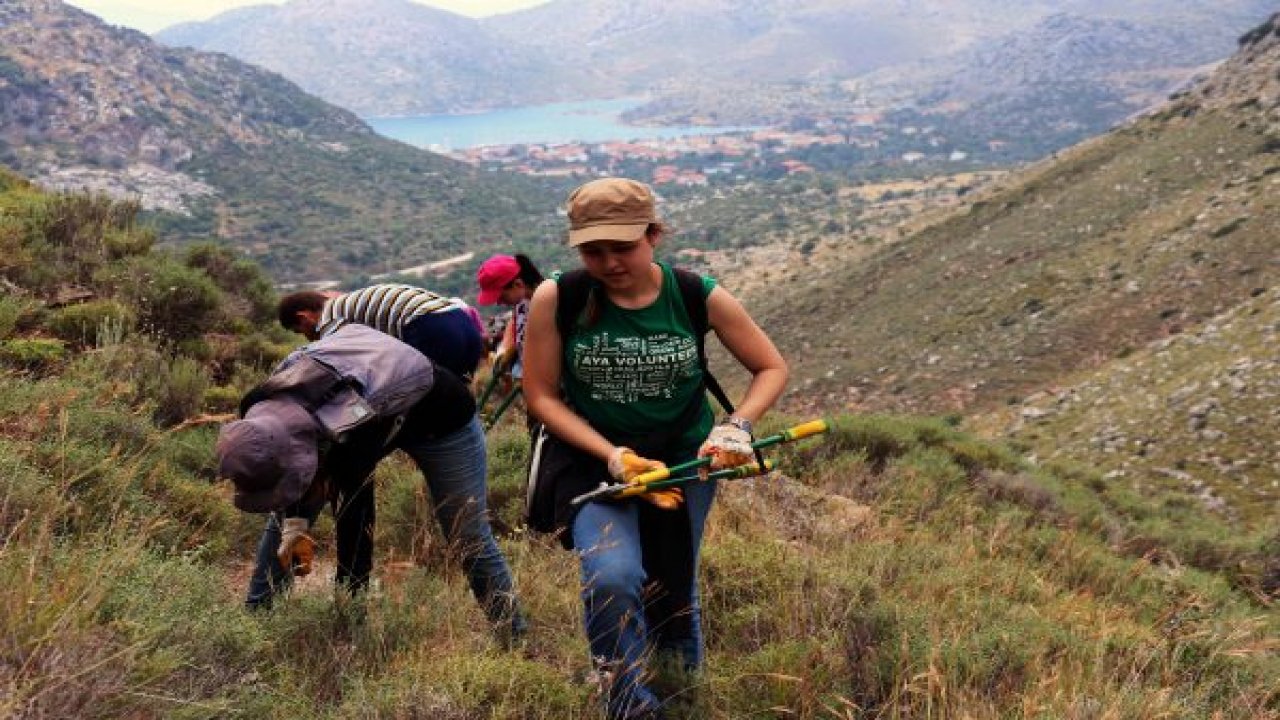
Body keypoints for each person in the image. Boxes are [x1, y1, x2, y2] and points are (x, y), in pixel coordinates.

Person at [522, 178, 788, 718]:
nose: (610, 262)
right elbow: (541, 396)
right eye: (594, 251)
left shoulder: (695, 294)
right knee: (613, 577)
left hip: (683, 462)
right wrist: (611, 454)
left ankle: (683, 696)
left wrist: (736, 426)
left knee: (673, 588)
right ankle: (628, 705)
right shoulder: (560, 296)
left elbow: (771, 367)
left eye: (623, 247)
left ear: (654, 234)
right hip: (592, 461)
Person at [220, 323, 526, 642]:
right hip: (368, 412)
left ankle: (512, 636)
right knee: (287, 519)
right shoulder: (258, 411)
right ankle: (254, 624)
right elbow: (289, 485)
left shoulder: (348, 437)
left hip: (442, 421)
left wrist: (349, 619)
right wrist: (294, 529)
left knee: (467, 533)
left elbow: (357, 526)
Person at [277, 283, 485, 380]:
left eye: (300, 331)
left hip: (431, 328)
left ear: (304, 317)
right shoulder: (346, 302)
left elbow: (338, 362)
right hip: (461, 321)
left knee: (423, 395)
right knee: (455, 396)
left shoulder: (330, 319)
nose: (306, 336)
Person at [475, 253, 544, 385]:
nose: (499, 303)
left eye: (501, 297)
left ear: (518, 284)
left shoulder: (547, 302)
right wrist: (504, 349)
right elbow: (515, 321)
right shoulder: (522, 302)